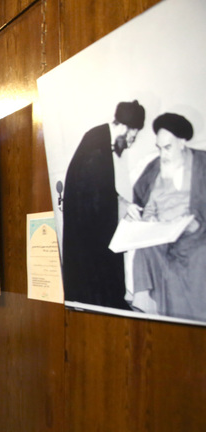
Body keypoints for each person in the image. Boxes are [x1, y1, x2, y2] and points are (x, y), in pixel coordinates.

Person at [62, 100, 145, 309]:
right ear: (124, 127)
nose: (130, 143)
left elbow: (102, 190)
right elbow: (96, 199)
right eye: (133, 137)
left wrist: (125, 204)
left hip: (89, 229)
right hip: (89, 234)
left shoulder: (99, 138)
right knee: (98, 288)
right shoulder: (97, 148)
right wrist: (124, 209)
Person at [126, 112, 206, 321]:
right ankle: (158, 317)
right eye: (159, 148)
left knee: (201, 255)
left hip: (197, 233)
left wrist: (196, 223)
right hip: (162, 235)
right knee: (144, 251)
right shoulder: (155, 167)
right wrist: (149, 219)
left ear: (182, 142)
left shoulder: (202, 164)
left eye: (168, 147)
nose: (163, 155)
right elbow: (146, 203)